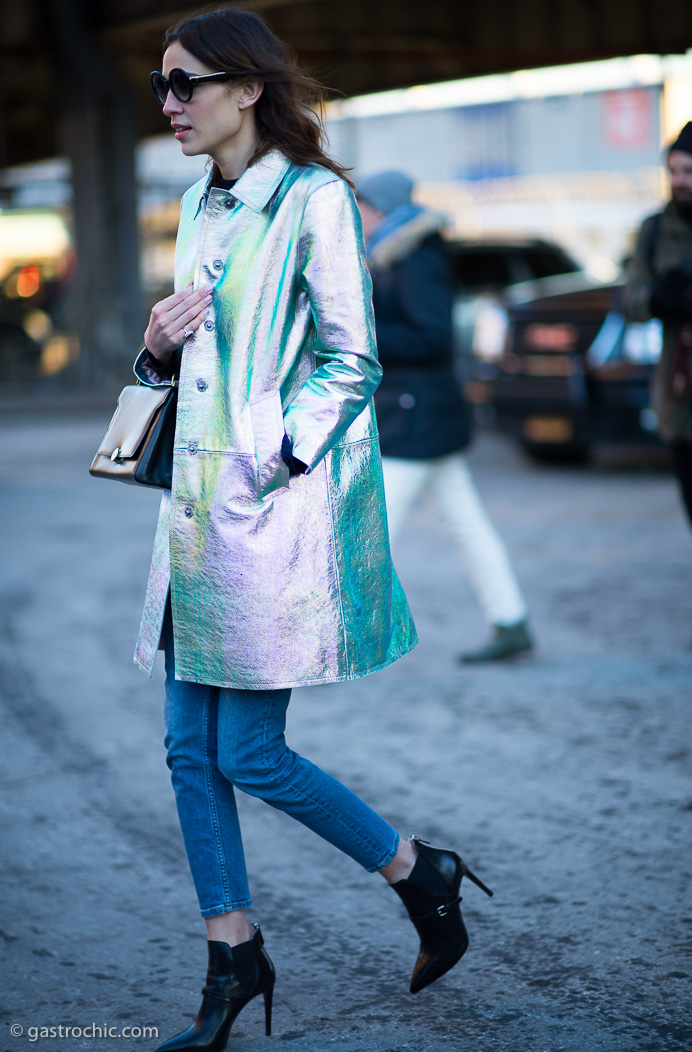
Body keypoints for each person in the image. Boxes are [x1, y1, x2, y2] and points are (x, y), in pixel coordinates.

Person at [132, 10, 492, 1052]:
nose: (168, 105)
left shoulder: (316, 198)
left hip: (263, 505)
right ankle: (233, 957)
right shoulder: (201, 203)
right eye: (160, 87)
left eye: (184, 83)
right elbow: (196, 357)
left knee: (248, 749)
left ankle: (413, 866)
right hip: (194, 509)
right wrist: (155, 350)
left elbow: (351, 358)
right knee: (184, 748)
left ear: (246, 88)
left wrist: (274, 454)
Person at [354, 170, 534, 663]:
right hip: (419, 415)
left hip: (418, 417)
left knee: (366, 531)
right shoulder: (394, 254)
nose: (358, 215)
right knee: (466, 525)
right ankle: (511, 619)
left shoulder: (417, 259)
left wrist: (364, 332)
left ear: (383, 209)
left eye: (363, 206)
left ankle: (338, 639)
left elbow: (432, 338)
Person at [623, 120, 692, 650]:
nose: (680, 181)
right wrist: (660, 300)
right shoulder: (654, 229)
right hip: (680, 401)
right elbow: (629, 298)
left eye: (690, 171)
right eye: (674, 170)